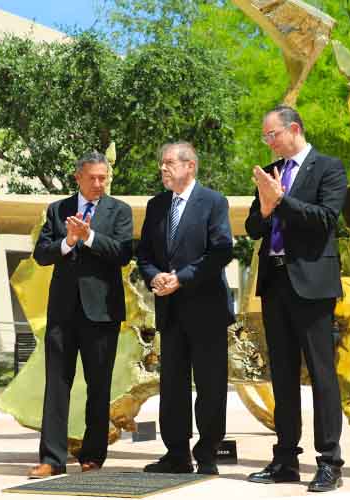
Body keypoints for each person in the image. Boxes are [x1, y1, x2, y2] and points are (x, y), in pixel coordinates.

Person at [245, 105, 348, 492]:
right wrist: (268, 203)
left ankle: (329, 462)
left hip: (312, 283)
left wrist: (281, 201)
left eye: (272, 135)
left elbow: (326, 219)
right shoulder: (272, 172)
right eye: (266, 137)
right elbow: (256, 225)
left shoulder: (328, 167)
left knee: (321, 375)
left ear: (294, 129)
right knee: (282, 375)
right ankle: (285, 458)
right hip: (275, 282)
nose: (269, 142)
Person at [28, 151, 134, 479]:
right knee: (57, 385)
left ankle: (92, 455)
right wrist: (67, 241)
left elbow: (122, 253)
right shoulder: (57, 210)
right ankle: (52, 458)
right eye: (93, 178)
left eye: (104, 178)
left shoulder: (120, 211)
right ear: (78, 177)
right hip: (62, 312)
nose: (99, 183)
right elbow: (42, 254)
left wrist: (88, 238)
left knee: (98, 386)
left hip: (101, 313)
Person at [137, 141, 234, 476]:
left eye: (169, 163)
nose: (163, 169)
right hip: (171, 309)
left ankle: (207, 454)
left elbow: (221, 251)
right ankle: (176, 453)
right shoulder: (156, 205)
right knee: (173, 385)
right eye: (162, 164)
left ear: (189, 166)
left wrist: (183, 277)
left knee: (210, 384)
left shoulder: (213, 202)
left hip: (206, 308)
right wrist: (154, 277)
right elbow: (144, 255)